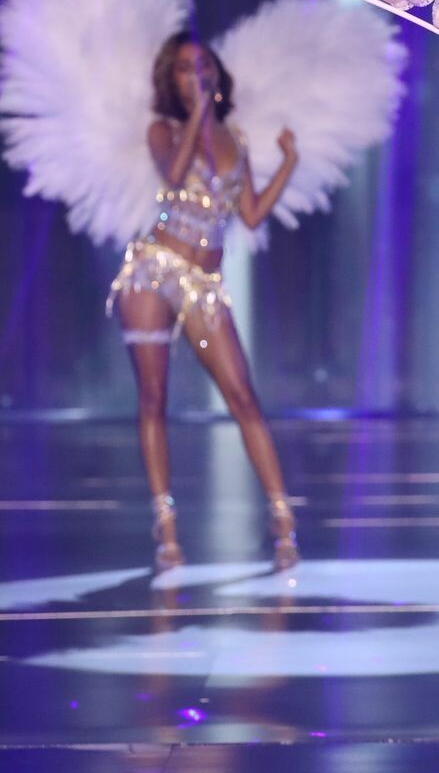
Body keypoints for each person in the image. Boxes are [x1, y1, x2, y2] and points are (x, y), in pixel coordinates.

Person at [109, 34, 302, 570]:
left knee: (243, 395)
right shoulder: (164, 131)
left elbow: (252, 215)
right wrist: (196, 113)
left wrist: (289, 162)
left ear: (216, 71)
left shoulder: (234, 138)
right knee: (153, 396)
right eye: (183, 67)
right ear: (171, 80)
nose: (194, 72)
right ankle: (166, 527)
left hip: (205, 282)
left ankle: (282, 519)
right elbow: (173, 175)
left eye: (201, 63)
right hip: (154, 271)